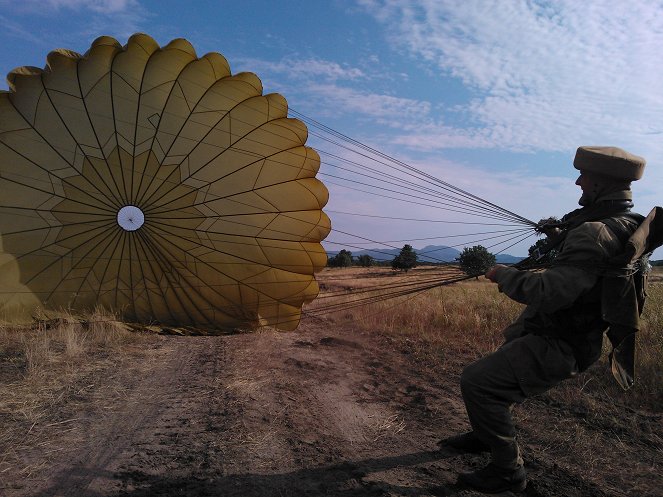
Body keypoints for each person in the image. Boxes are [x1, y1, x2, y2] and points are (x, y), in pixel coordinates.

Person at [442, 146, 649, 493]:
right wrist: (558, 237)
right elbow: (592, 271)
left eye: (585, 176)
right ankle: (484, 434)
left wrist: (503, 274)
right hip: (567, 332)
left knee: (478, 382)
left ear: (601, 184)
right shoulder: (627, 223)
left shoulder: (593, 231)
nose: (578, 181)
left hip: (562, 341)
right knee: (505, 360)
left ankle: (507, 472)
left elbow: (549, 292)